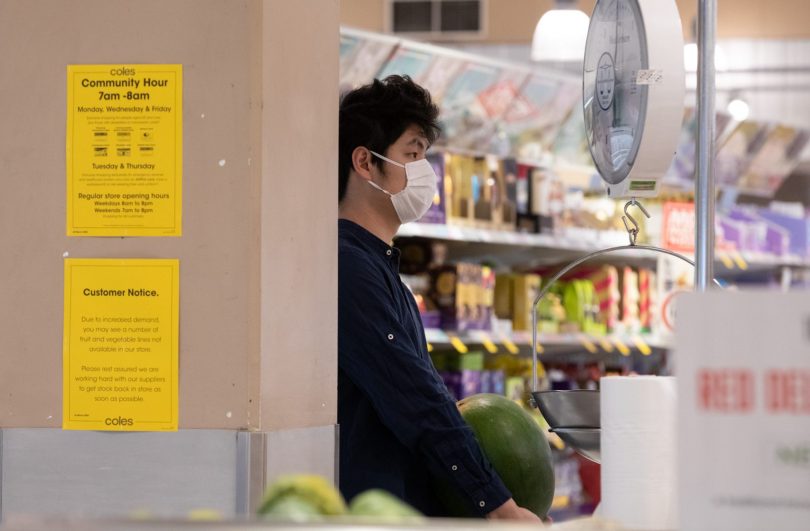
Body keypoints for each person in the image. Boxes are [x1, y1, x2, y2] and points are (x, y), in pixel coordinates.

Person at [337, 75, 542, 522]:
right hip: (376, 512)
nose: (424, 171)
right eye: (412, 154)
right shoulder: (348, 268)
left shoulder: (381, 270)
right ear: (364, 163)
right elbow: (414, 396)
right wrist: (496, 504)